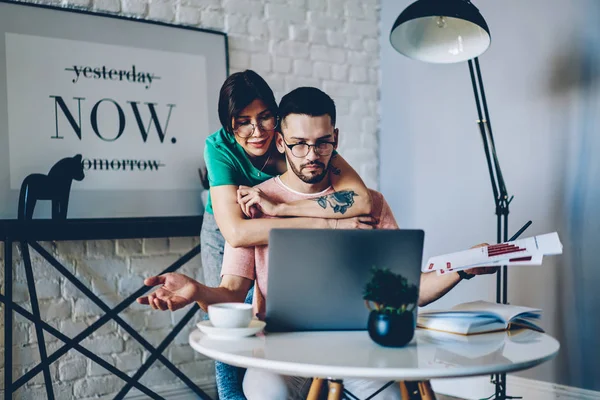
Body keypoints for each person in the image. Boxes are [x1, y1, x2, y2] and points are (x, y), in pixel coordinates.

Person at [142, 87, 497, 399]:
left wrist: (461, 268)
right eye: (298, 144)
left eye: (322, 143)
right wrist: (197, 290)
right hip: (280, 353)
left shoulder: (370, 203)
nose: (311, 155)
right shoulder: (253, 204)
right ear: (281, 142)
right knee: (265, 393)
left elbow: (408, 290)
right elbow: (233, 293)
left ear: (336, 139)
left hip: (360, 350)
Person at [201, 71, 375, 399]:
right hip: (226, 222)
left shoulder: (303, 142)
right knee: (231, 319)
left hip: (280, 207)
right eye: (243, 122)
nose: (258, 132)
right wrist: (328, 226)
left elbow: (361, 200)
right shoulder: (219, 148)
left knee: (280, 305)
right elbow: (237, 232)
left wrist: (283, 210)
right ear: (229, 125)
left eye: (266, 117)